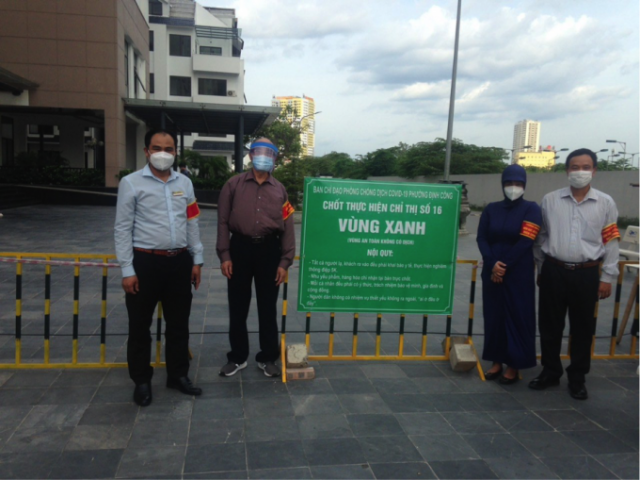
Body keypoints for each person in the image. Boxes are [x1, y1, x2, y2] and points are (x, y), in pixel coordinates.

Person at [115, 128, 204, 407]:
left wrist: (196, 259)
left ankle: (178, 376)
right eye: (157, 148)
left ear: (176, 152)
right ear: (146, 151)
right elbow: (122, 228)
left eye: (169, 148)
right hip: (145, 263)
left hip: (179, 262)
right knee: (140, 325)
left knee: (179, 324)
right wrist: (127, 270)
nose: (163, 153)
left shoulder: (185, 184)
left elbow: (192, 222)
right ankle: (141, 381)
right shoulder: (130, 184)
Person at [531, 148, 620, 400]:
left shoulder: (605, 202)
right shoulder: (550, 200)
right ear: (567, 170)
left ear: (594, 170)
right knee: (549, 326)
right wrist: (540, 267)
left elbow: (611, 241)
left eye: (586, 167)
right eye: (575, 167)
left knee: (582, 328)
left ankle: (577, 377)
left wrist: (607, 277)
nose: (580, 172)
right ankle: (550, 372)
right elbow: (541, 237)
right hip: (553, 270)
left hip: (587, 273)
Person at [216, 138, 295, 378]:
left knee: (267, 307)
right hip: (239, 248)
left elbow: (288, 226)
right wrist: (225, 254)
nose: (263, 156)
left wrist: (285, 261)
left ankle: (267, 357)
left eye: (269, 152)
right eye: (258, 151)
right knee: (238, 306)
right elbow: (222, 221)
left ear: (275, 158)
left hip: (269, 251)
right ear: (250, 155)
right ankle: (238, 357)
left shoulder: (280, 190)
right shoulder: (233, 184)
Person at [476, 165, 542, 384]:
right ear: (502, 184)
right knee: (494, 316)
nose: (513, 187)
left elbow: (526, 241)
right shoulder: (491, 209)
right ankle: (496, 361)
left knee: (518, 316)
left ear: (524, 185)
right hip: (491, 271)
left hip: (518, 272)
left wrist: (503, 266)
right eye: (509, 183)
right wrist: (493, 264)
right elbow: (482, 238)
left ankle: (514, 364)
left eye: (518, 183)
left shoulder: (531, 209)